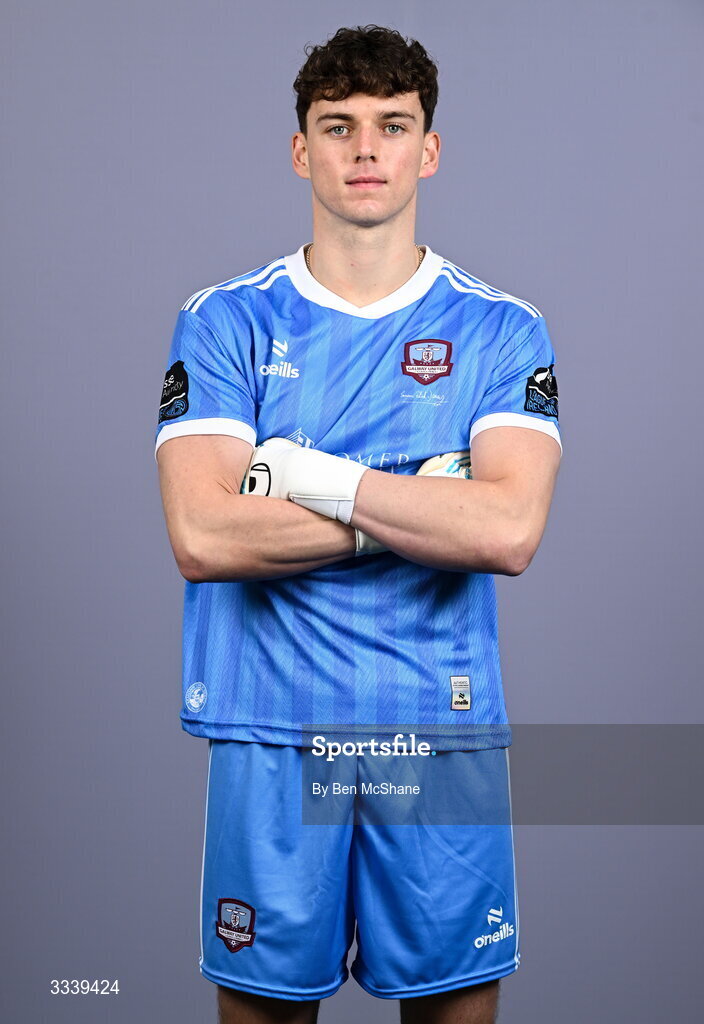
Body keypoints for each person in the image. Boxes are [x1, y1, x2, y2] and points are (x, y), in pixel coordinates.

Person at [155, 24, 561, 1024]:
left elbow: (505, 530)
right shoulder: (224, 322)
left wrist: (293, 476)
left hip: (434, 726)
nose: (364, 149)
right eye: (337, 127)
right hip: (270, 724)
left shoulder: (501, 328)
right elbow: (204, 537)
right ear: (302, 149)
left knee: (451, 1006)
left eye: (391, 125)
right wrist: (424, 501)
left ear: (428, 149)